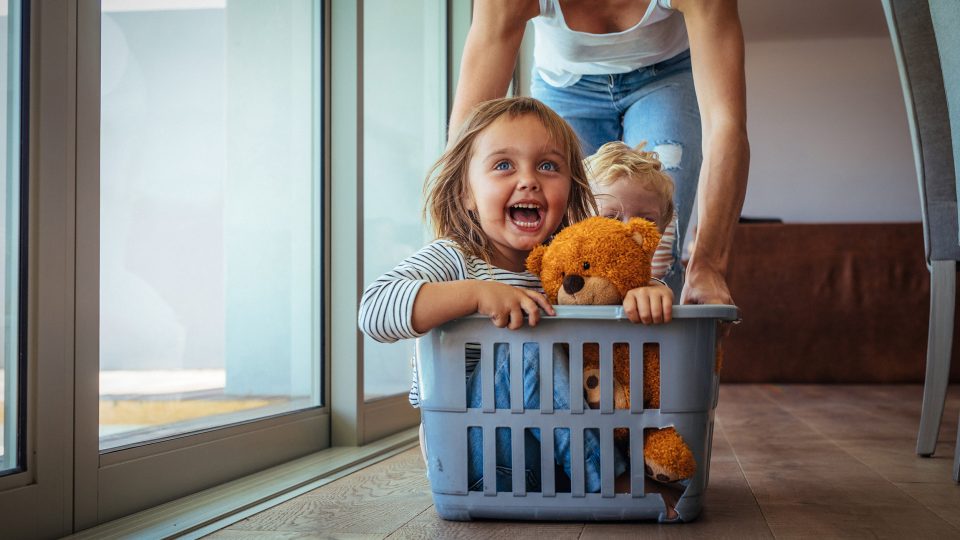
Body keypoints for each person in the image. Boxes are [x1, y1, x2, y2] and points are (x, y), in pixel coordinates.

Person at [357, 97, 670, 494]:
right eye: (504, 165)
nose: (529, 180)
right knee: (524, 344)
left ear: (571, 192)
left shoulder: (565, 266)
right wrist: (476, 295)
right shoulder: (456, 259)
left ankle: (608, 466)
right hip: (476, 457)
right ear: (467, 194)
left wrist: (649, 291)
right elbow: (374, 309)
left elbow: (613, 295)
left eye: (548, 166)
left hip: (555, 465)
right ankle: (610, 477)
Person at [448, 0, 749, 307]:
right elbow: (467, 141)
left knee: (656, 251)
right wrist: (453, 255)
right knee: (559, 247)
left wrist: (708, 266)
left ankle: (646, 352)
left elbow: (725, 126)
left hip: (667, 75)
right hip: (564, 82)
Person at [586, 140, 678, 290]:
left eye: (645, 221)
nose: (629, 232)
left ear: (660, 233)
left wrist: (654, 297)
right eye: (611, 218)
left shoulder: (653, 291)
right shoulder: (559, 279)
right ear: (576, 222)